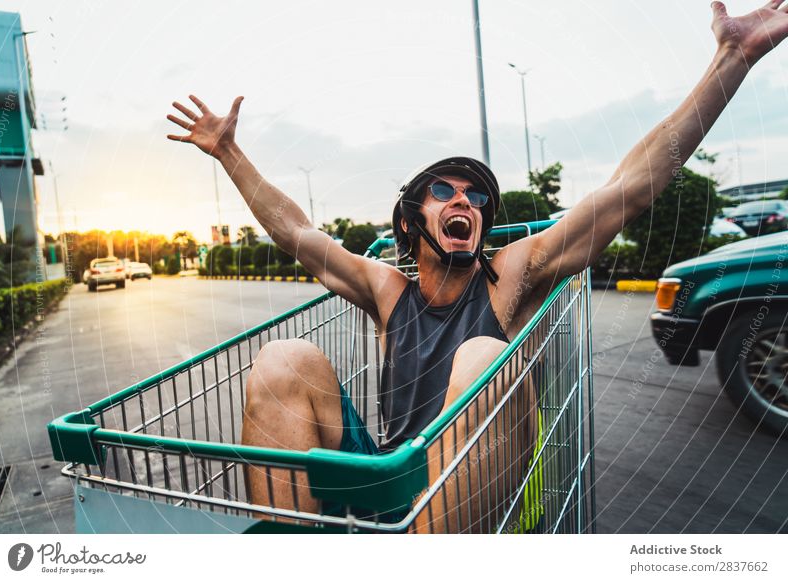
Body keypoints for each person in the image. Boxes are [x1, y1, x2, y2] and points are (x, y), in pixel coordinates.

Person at [166, 1, 788, 532]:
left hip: (481, 492)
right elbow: (298, 231)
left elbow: (630, 188)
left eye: (478, 196)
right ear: (411, 223)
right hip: (398, 478)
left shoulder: (513, 272)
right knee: (283, 359)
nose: (466, 200)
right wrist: (228, 152)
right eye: (445, 191)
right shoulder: (387, 289)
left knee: (479, 358)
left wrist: (730, 61)